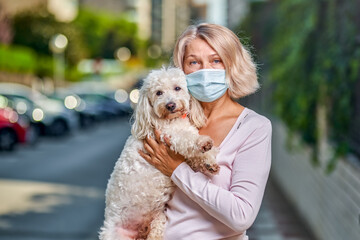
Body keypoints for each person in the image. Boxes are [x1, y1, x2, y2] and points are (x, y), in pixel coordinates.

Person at [139, 23, 272, 240]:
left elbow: (241, 215)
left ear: (232, 65)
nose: (204, 71)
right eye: (193, 62)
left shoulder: (254, 128)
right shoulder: (170, 120)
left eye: (216, 60)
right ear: (181, 69)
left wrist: (177, 169)